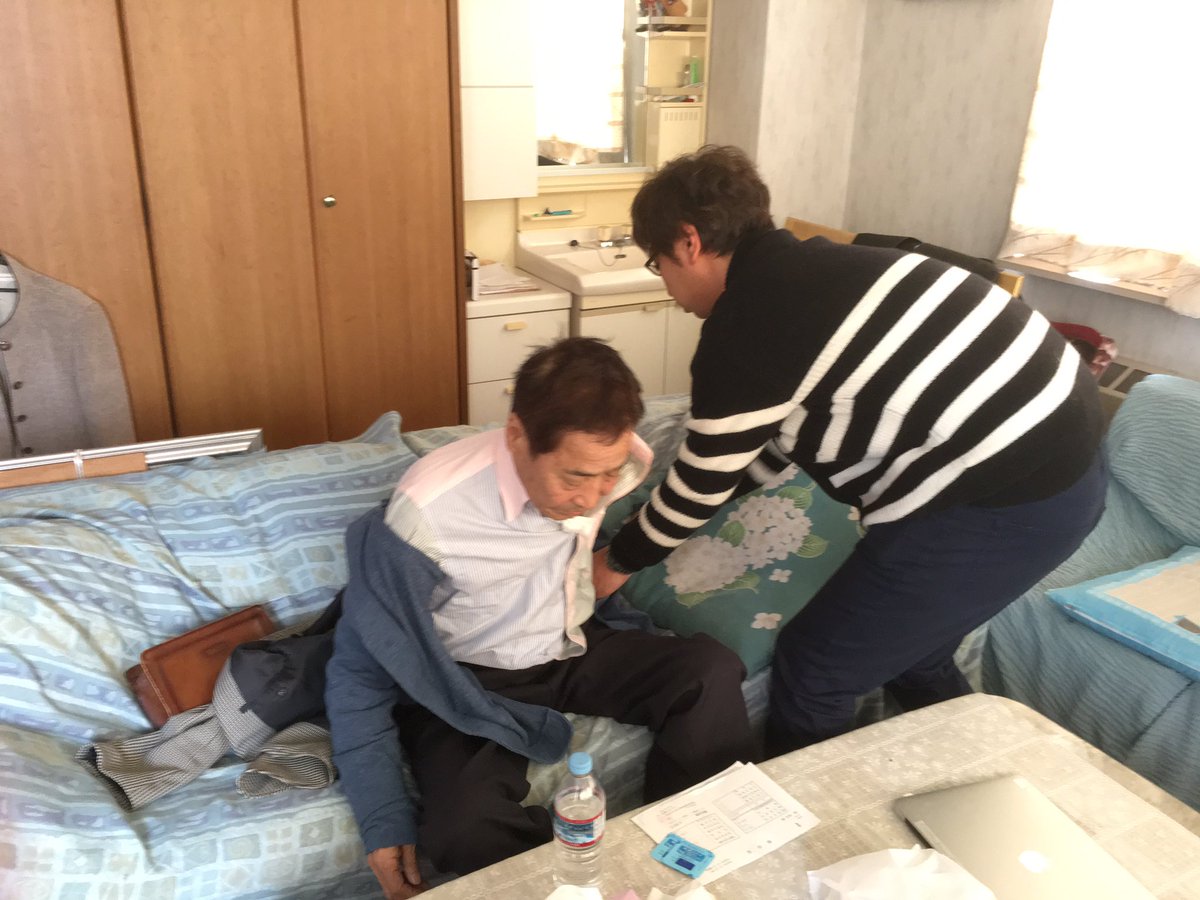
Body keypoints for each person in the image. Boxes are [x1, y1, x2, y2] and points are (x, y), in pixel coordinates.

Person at [593, 145, 1107, 760]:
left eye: (658, 265)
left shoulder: (746, 323)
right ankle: (980, 767)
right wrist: (682, 506)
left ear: (688, 242)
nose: (669, 288)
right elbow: (771, 448)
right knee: (913, 651)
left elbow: (698, 488)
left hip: (1010, 494)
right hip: (1068, 459)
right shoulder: (825, 268)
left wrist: (615, 563)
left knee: (817, 671)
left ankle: (821, 835)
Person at [326, 337, 754, 899]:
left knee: (709, 671)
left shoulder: (620, 461)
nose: (591, 497)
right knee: (462, 828)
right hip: (469, 682)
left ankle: (679, 858)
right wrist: (382, 818)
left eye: (608, 475)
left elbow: (643, 483)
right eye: (574, 477)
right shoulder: (425, 518)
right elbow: (358, 670)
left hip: (570, 644)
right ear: (516, 436)